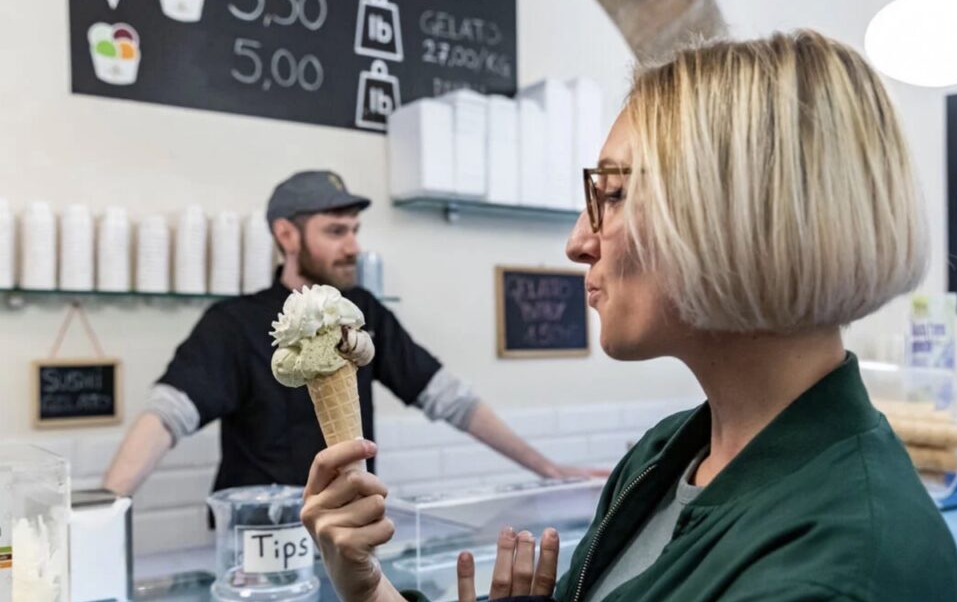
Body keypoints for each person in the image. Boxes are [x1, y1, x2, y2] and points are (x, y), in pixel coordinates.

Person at [289, 30, 957, 602]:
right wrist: (374, 590)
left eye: (611, 196)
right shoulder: (667, 454)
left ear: (736, 211)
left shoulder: (832, 582)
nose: (578, 242)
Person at [103, 170, 598, 497]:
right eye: (337, 231)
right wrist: (102, 513)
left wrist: (546, 468)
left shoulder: (362, 313)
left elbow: (450, 399)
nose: (353, 246)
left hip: (350, 529)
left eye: (355, 230)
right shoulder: (232, 324)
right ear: (286, 235)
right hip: (261, 546)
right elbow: (166, 417)